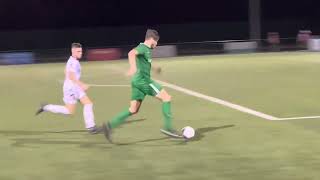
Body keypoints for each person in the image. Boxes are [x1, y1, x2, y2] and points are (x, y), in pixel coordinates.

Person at [102, 29, 180, 143]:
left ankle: (109, 126)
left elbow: (145, 62)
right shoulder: (143, 48)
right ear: (152, 39)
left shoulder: (146, 49)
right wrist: (132, 68)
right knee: (166, 98)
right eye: (157, 41)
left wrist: (154, 68)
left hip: (137, 82)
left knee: (133, 109)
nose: (157, 44)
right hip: (144, 81)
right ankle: (168, 127)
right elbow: (131, 53)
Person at [36, 43, 100, 134]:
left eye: (81, 51)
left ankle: (46, 107)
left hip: (70, 87)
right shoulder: (73, 62)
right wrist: (81, 84)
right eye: (78, 51)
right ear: (72, 51)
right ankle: (91, 127)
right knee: (88, 104)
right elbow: (71, 75)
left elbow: (68, 73)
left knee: (70, 111)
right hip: (73, 88)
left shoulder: (72, 60)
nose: (80, 53)